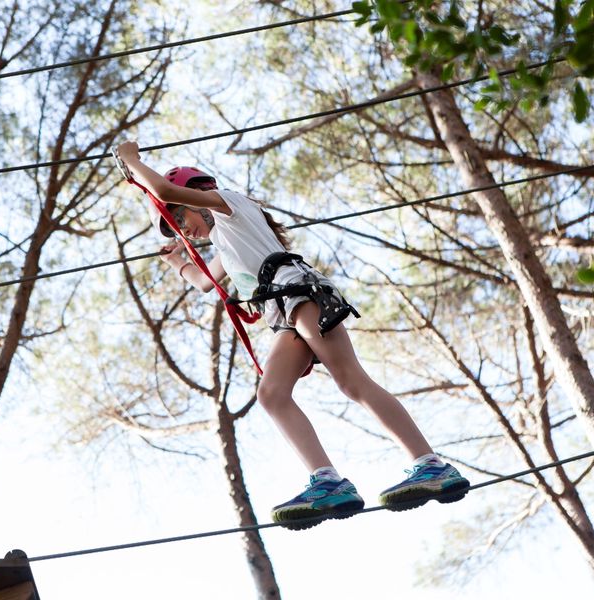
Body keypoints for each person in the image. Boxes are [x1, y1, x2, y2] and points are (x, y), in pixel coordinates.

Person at [115, 141, 470, 529]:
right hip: (285, 309)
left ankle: (430, 463)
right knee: (271, 395)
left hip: (300, 292)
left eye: (181, 219)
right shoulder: (223, 241)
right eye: (180, 228)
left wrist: (133, 163)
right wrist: (179, 261)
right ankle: (328, 482)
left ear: (197, 194)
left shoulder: (229, 204)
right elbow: (205, 281)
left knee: (351, 381)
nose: (186, 230)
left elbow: (165, 192)